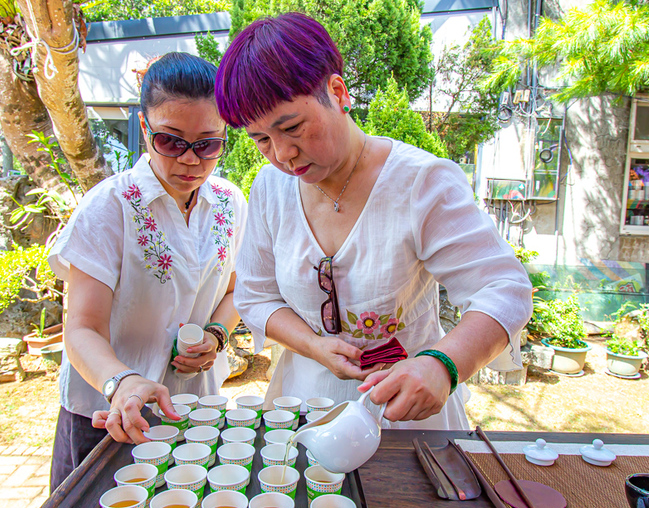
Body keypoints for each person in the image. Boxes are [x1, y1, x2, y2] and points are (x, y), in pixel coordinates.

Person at [215, 13, 532, 429]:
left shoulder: (420, 182)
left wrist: (442, 365)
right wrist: (313, 345)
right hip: (301, 410)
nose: (282, 154)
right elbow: (257, 297)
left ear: (336, 91)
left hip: (407, 413)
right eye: (260, 139)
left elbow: (504, 289)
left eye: (291, 127)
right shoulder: (271, 189)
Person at [47, 52, 247, 491]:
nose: (191, 160)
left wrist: (215, 335)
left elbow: (234, 291)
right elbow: (81, 328)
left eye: (208, 144)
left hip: (194, 411)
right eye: (171, 141)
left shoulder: (230, 203)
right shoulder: (109, 206)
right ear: (144, 128)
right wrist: (122, 381)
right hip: (109, 414)